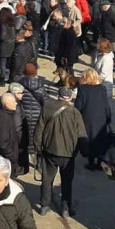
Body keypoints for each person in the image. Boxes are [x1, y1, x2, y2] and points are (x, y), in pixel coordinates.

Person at [34, 85, 87, 217]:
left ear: (58, 96)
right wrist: (84, 151)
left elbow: (39, 129)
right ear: (70, 97)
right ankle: (65, 208)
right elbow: (81, 134)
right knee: (67, 181)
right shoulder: (75, 113)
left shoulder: (47, 107)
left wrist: (38, 147)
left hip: (49, 150)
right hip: (68, 153)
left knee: (47, 179)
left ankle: (44, 205)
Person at [74, 69, 112, 171]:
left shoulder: (82, 89)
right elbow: (106, 105)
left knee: (90, 139)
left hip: (88, 118)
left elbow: (78, 106)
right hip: (101, 118)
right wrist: (108, 117)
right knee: (100, 139)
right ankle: (100, 163)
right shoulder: (102, 88)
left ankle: (91, 163)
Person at [16, 62, 46, 176]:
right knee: (38, 141)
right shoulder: (41, 86)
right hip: (38, 118)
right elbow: (45, 103)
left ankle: (22, 165)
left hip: (24, 117)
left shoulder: (20, 85)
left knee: (23, 140)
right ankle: (39, 164)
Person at [0, 92, 22, 170]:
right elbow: (1, 143)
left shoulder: (5, 113)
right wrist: (11, 156)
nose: (16, 103)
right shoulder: (4, 118)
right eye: (14, 102)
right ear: (7, 104)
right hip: (4, 161)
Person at [94, 37, 115, 103]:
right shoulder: (100, 55)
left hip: (104, 87)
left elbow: (103, 74)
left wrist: (93, 81)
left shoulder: (107, 58)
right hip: (100, 86)